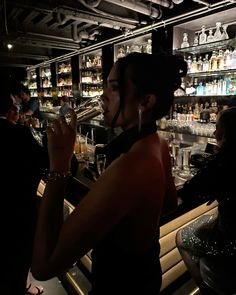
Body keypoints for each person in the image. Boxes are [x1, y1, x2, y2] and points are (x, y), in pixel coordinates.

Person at [31, 52, 187, 294]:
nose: (103, 96)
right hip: (146, 276)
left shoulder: (130, 166)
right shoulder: (158, 143)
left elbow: (43, 266)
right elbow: (168, 204)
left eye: (114, 88)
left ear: (146, 102)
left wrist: (59, 165)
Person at [176, 106, 236, 294]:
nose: (214, 131)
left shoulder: (222, 160)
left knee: (182, 236)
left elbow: (188, 193)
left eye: (217, 127)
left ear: (225, 132)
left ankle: (210, 288)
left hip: (230, 241)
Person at [0, 90, 48, 294]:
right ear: (11, 109)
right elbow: (48, 162)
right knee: (17, 256)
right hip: (18, 212)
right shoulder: (20, 134)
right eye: (15, 105)